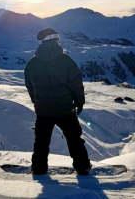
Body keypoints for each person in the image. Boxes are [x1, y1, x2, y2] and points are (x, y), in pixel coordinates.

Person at [24, 28, 91, 175]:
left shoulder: (32, 63)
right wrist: (80, 102)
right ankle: (82, 167)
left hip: (43, 111)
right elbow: (76, 84)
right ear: (55, 41)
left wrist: (37, 102)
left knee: (41, 141)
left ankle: (39, 168)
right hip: (65, 109)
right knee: (74, 139)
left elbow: (30, 87)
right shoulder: (66, 61)